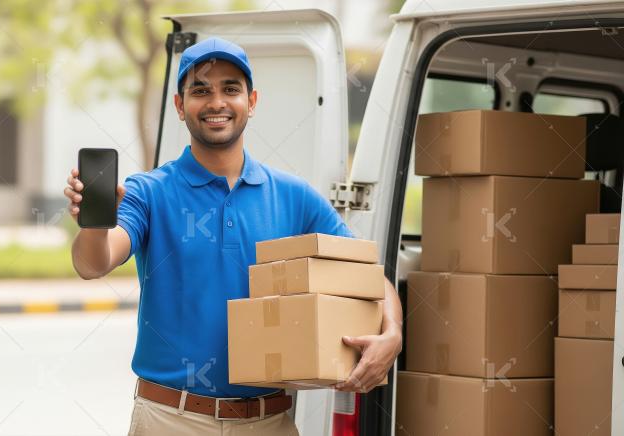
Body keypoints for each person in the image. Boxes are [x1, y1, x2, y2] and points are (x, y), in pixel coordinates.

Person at [63, 37, 403, 436]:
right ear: (179, 106)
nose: (216, 102)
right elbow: (93, 263)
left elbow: (368, 275)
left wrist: (393, 333)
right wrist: (93, 223)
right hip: (171, 420)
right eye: (200, 90)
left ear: (252, 101)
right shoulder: (149, 191)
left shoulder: (293, 197)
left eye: (230, 89)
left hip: (270, 421)